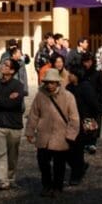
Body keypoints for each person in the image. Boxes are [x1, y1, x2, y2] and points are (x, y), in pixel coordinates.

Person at [26, 67, 80, 197]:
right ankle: (46, 185)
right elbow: (33, 114)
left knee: (59, 165)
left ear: (57, 82)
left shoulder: (68, 96)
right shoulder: (40, 96)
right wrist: (30, 131)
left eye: (52, 82)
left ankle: (57, 187)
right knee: (43, 163)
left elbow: (74, 118)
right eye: (47, 82)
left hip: (60, 135)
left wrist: (70, 135)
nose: (49, 85)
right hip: (44, 134)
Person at [0, 57, 25, 191]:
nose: (3, 66)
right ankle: (2, 180)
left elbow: (15, 103)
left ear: (12, 70)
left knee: (12, 155)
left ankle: (11, 178)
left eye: (7, 65)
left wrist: (0, 99)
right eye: (3, 64)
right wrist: (6, 99)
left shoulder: (18, 85)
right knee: (0, 154)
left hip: (14, 125)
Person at [65, 68, 100, 185]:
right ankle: (80, 167)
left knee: (77, 150)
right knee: (67, 150)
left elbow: (95, 105)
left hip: (82, 123)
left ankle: (76, 175)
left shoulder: (86, 87)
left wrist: (91, 120)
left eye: (71, 73)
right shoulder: (68, 88)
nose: (69, 75)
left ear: (76, 75)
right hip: (70, 122)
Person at [80, 52, 102, 153]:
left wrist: (100, 102)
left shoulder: (98, 73)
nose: (87, 64)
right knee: (86, 122)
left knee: (95, 122)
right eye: (85, 61)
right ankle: (87, 142)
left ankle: (92, 143)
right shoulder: (81, 73)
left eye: (89, 61)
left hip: (95, 102)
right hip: (84, 102)